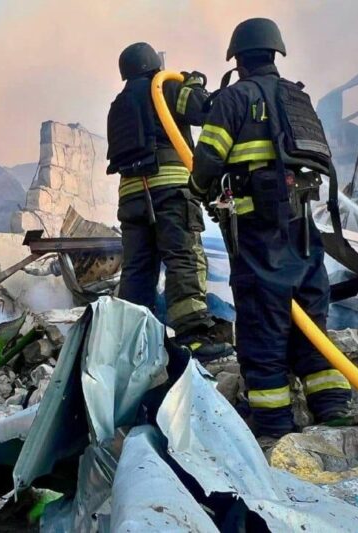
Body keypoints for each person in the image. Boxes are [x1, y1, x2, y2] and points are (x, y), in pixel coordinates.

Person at [191, 19, 350, 438]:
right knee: (310, 313)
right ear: (275, 53)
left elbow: (208, 159)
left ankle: (274, 424)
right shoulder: (298, 98)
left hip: (256, 229)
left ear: (239, 60)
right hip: (302, 227)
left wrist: (200, 190)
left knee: (262, 320)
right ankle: (332, 405)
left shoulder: (234, 97)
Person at [106, 42, 231, 359]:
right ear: (153, 64)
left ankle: (132, 344)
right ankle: (194, 337)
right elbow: (203, 111)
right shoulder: (166, 87)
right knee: (184, 257)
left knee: (137, 269)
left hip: (131, 198)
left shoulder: (118, 105)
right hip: (170, 191)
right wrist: (194, 84)